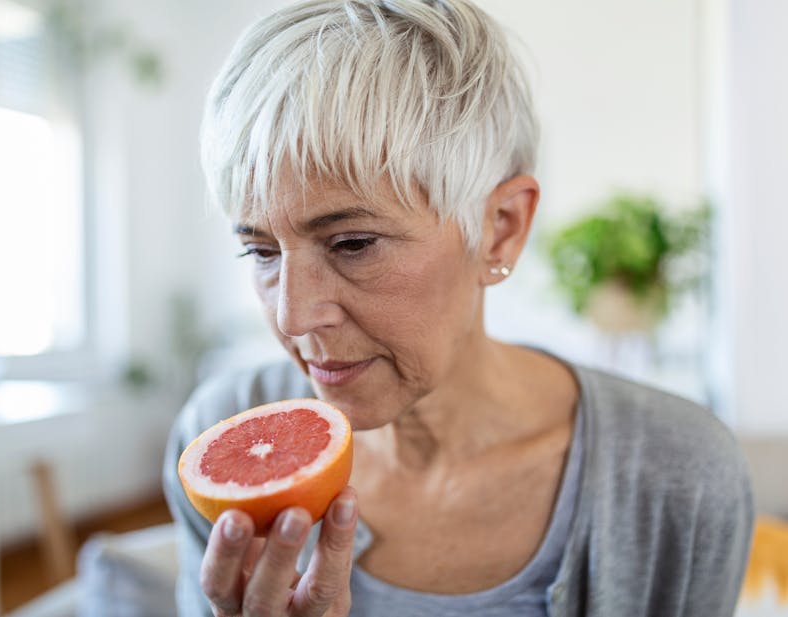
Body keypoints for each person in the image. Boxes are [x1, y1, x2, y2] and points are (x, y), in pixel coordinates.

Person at [164, 1, 754, 615]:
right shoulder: (227, 444)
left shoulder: (677, 480)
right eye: (261, 251)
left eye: (353, 244)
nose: (291, 317)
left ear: (500, 228)